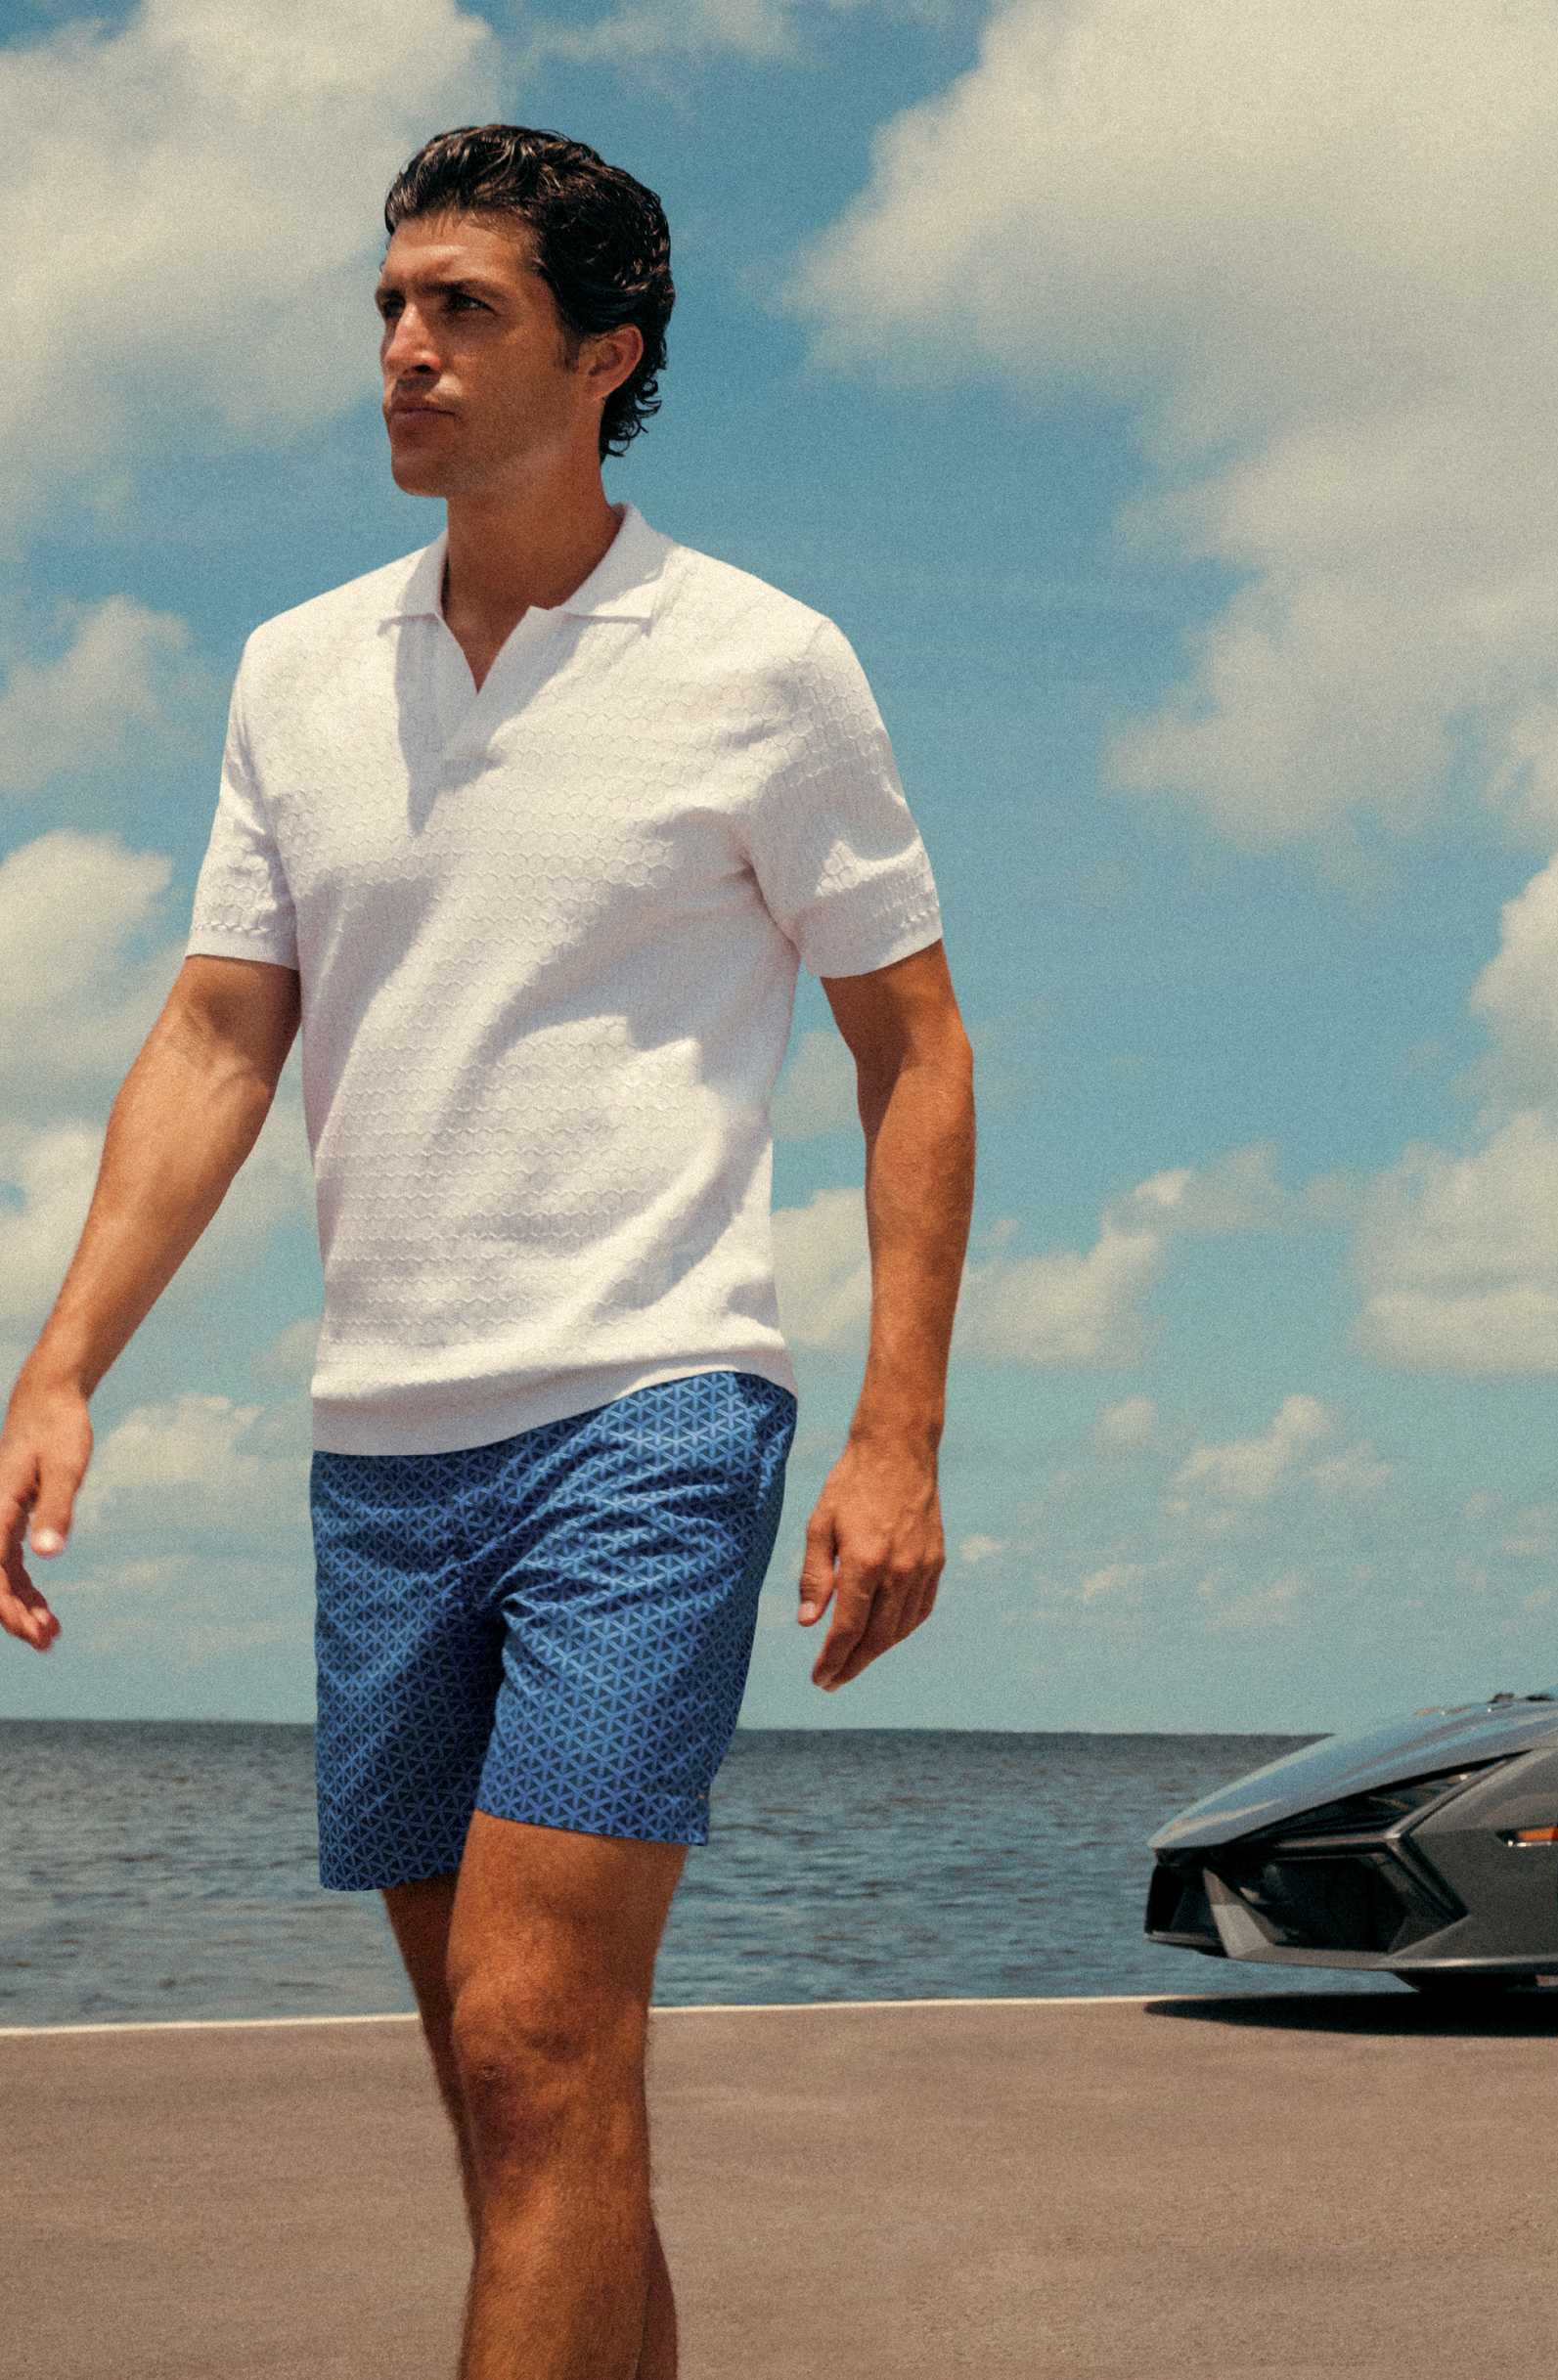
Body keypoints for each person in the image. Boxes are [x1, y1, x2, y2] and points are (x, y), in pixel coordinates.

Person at [0, 123, 975, 2380]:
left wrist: (896, 1428)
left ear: (604, 351)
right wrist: (61, 1367)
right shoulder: (293, 672)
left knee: (541, 2042)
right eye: (388, 304)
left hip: (650, 1407)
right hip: (386, 1449)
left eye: (466, 310)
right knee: (515, 2090)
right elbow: (222, 1028)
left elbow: (911, 1048)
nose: (406, 349)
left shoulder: (763, 664)